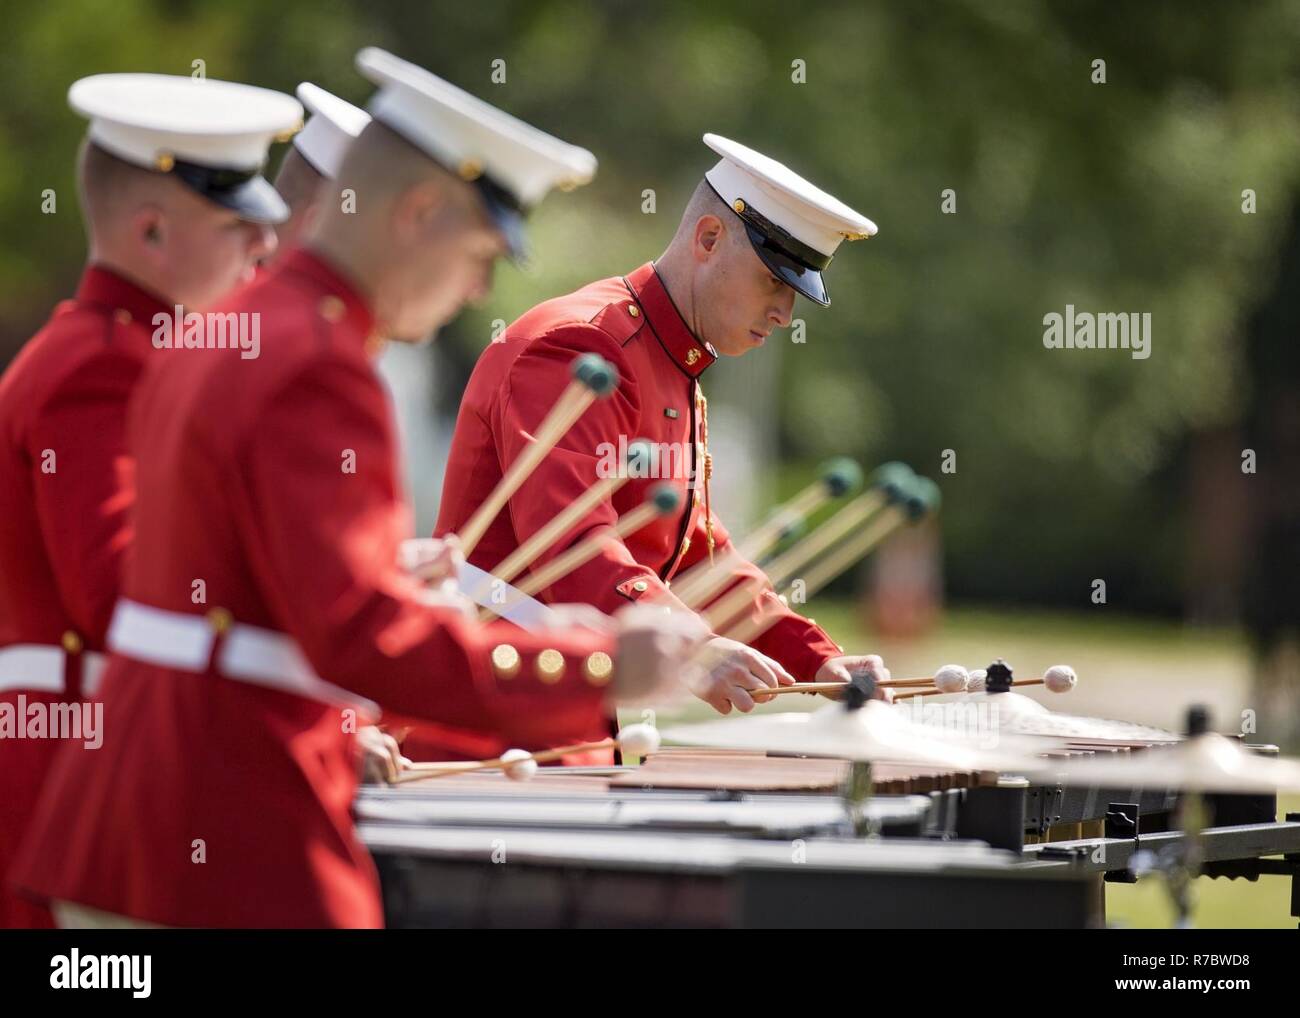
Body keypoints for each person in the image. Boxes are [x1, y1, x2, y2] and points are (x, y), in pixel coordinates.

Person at [11, 48, 697, 929]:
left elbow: (252, 587)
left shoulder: (233, 325)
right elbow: (359, 638)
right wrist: (598, 664)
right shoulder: (320, 365)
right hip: (231, 820)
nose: (481, 286)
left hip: (142, 820)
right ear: (418, 213)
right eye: (483, 251)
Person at [426, 134, 888, 764]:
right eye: (772, 283)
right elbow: (571, 548)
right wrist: (694, 648)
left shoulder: (675, 369)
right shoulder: (579, 349)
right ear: (707, 240)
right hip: (487, 728)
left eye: (796, 293)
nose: (784, 313)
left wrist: (822, 660)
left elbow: (701, 561)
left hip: (568, 724)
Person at [0, 71, 298, 927]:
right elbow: (125, 598)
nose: (264, 251)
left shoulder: (129, 357)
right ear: (153, 229)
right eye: (240, 224)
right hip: (70, 774)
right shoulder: (102, 367)